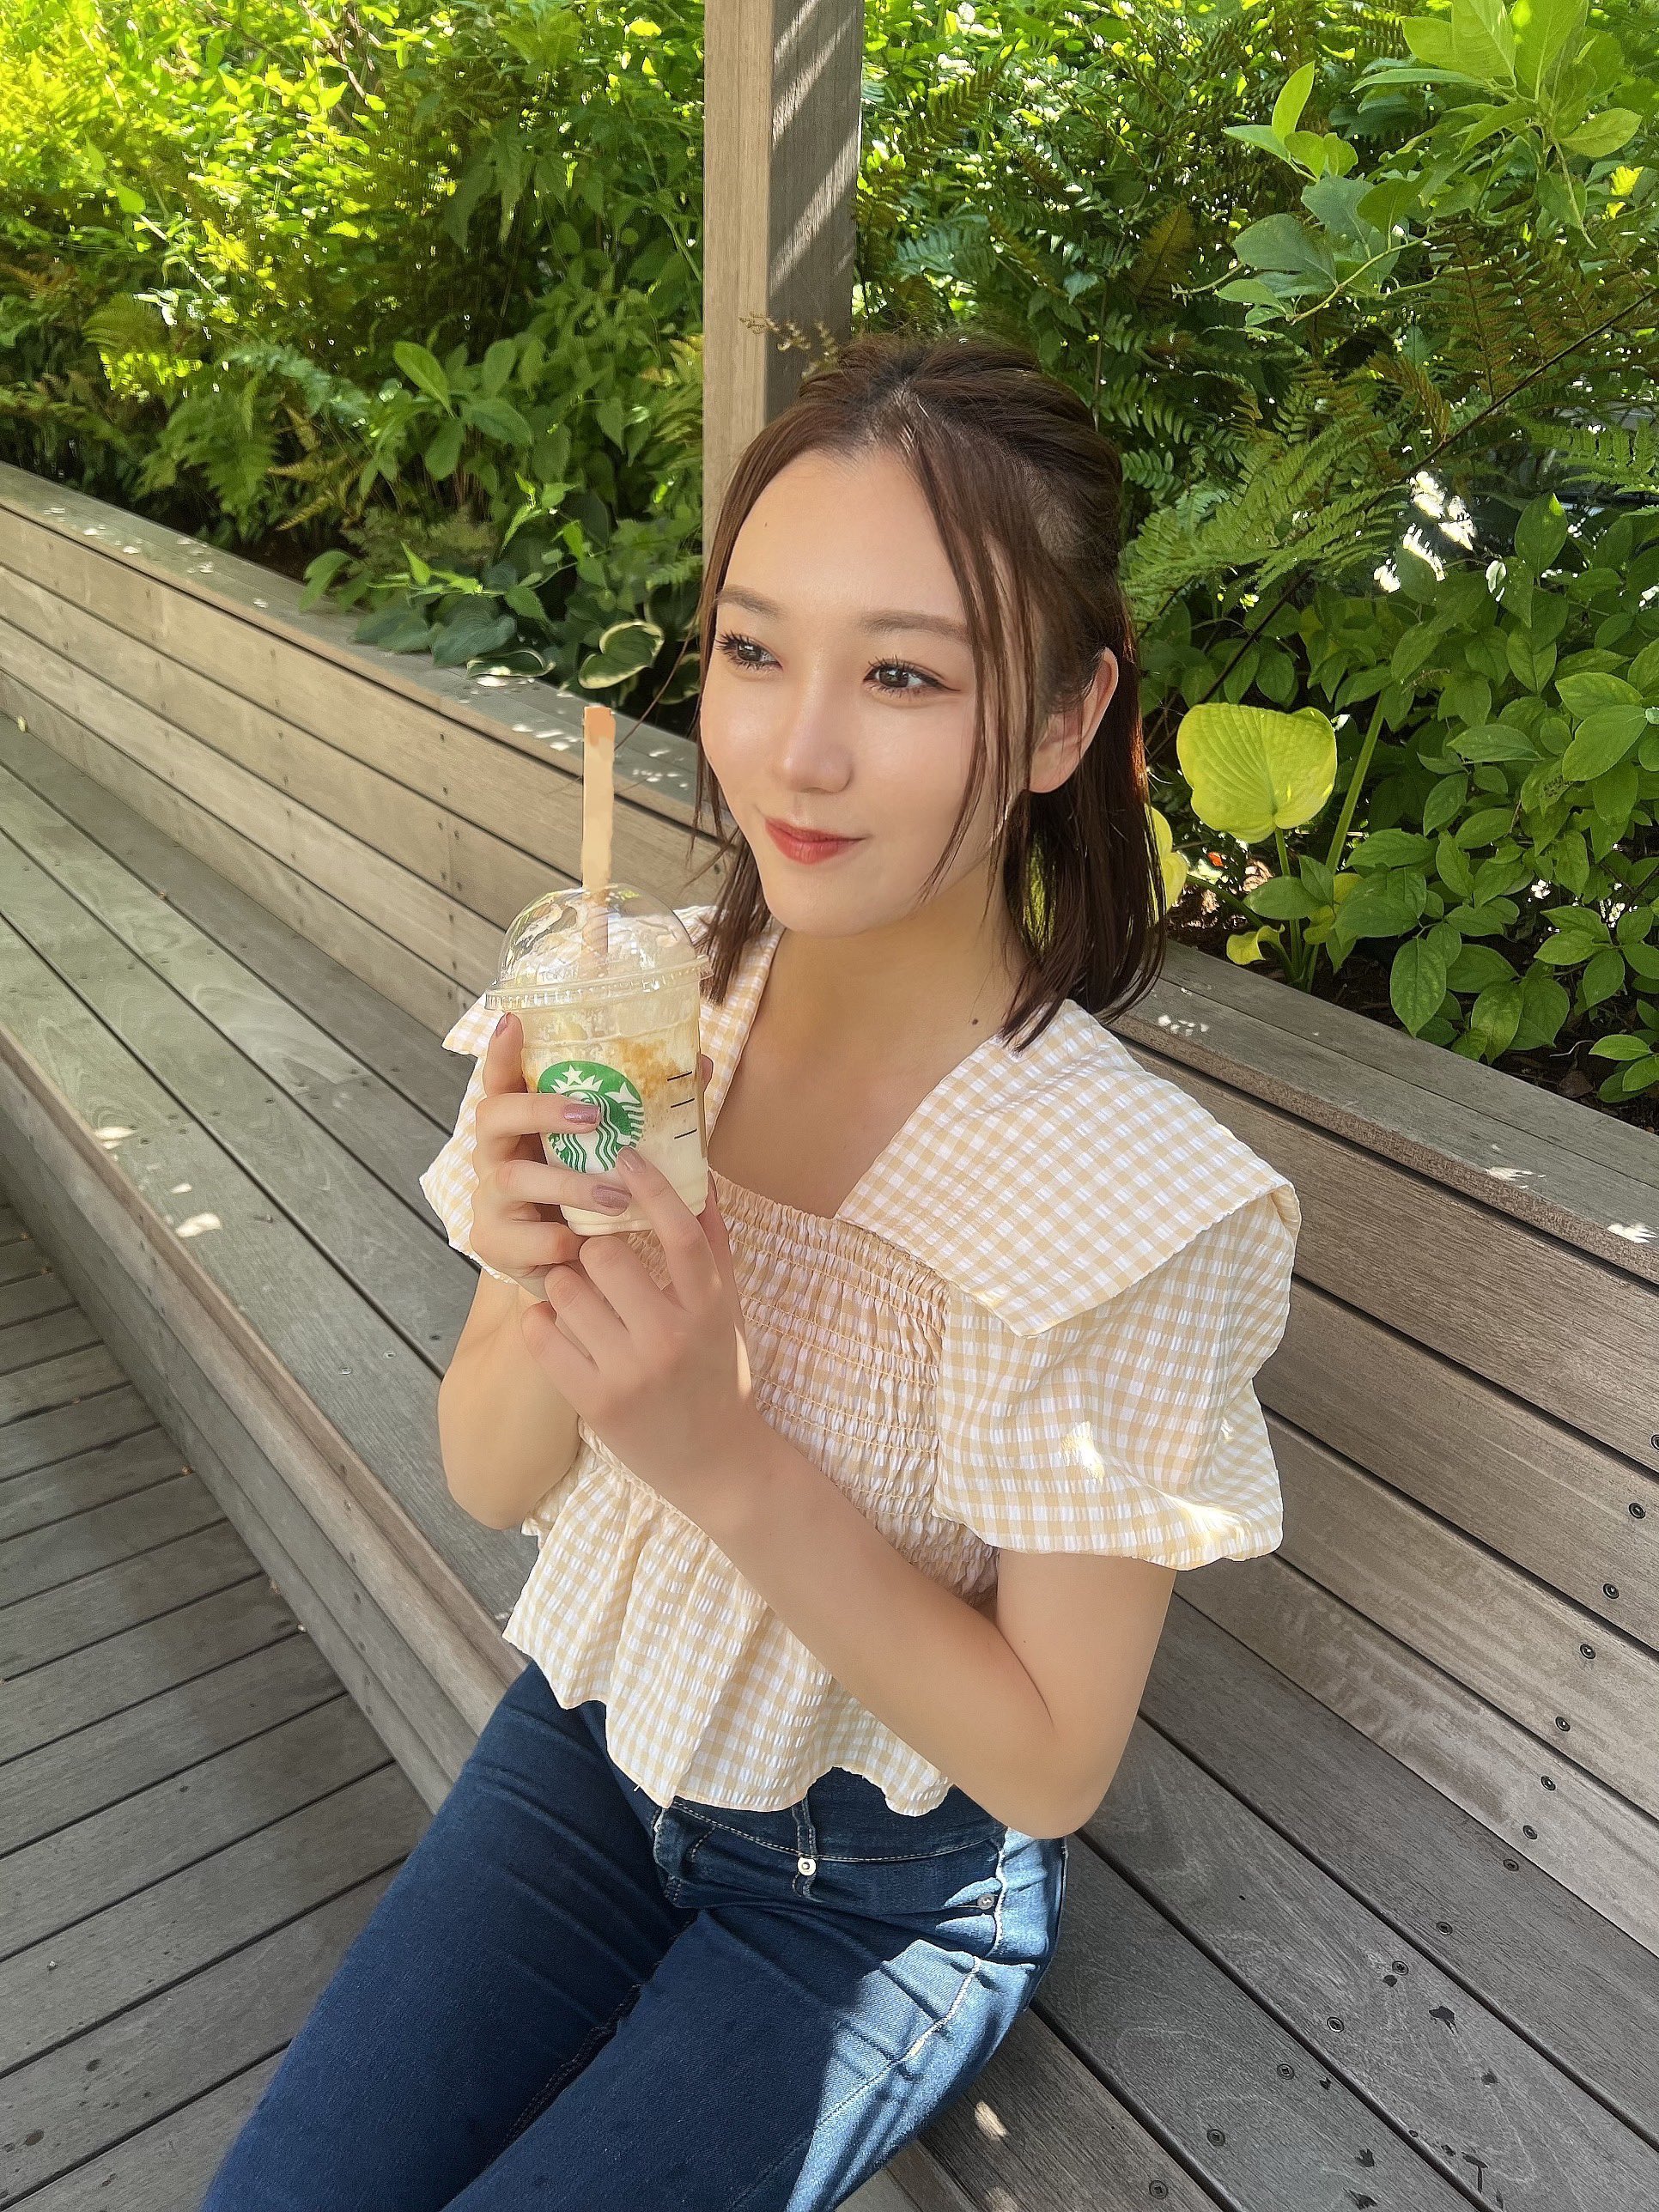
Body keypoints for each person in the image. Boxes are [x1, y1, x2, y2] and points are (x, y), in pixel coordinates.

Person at [198, 330, 1300, 2212]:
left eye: (904, 673)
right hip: (593, 1747)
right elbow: (490, 1474)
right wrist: (547, 1291)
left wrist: (721, 1460)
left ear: (1061, 721)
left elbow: (1048, 1764)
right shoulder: (629, 1020)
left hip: (872, 1891)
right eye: (754, 649)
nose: (798, 749)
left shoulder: (1125, 1203)